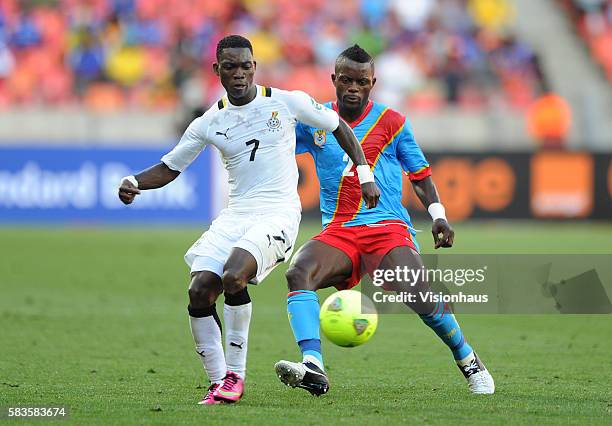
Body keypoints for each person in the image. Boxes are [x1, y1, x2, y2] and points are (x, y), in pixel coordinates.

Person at [117, 36, 380, 405]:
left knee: (234, 275)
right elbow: (169, 167)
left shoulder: (286, 102)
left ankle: (235, 377)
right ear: (217, 70)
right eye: (230, 67)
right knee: (200, 290)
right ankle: (217, 381)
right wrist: (134, 182)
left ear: (254, 66)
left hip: (278, 213)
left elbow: (338, 126)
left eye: (245, 66)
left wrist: (364, 172)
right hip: (235, 215)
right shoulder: (210, 121)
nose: (239, 74)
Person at [274, 45, 495, 396]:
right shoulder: (316, 120)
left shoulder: (392, 122)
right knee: (298, 272)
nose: (352, 88)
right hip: (340, 230)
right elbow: (276, 143)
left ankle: (468, 359)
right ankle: (313, 365)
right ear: (333, 79)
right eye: (345, 80)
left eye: (361, 82)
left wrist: (439, 216)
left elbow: (419, 175)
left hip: (387, 228)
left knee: (420, 296)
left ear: (372, 83)